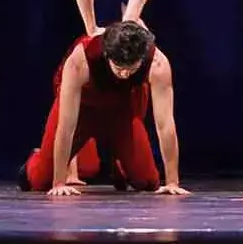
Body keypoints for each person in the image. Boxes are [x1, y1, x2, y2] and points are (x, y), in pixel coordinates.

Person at [18, 20, 187, 197]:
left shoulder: (157, 64)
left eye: (132, 69)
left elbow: (165, 125)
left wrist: (172, 181)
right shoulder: (80, 59)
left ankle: (121, 164)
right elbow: (66, 126)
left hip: (120, 112)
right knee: (41, 181)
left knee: (147, 182)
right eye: (119, 68)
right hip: (84, 109)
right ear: (107, 55)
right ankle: (35, 160)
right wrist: (59, 182)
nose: (125, 74)